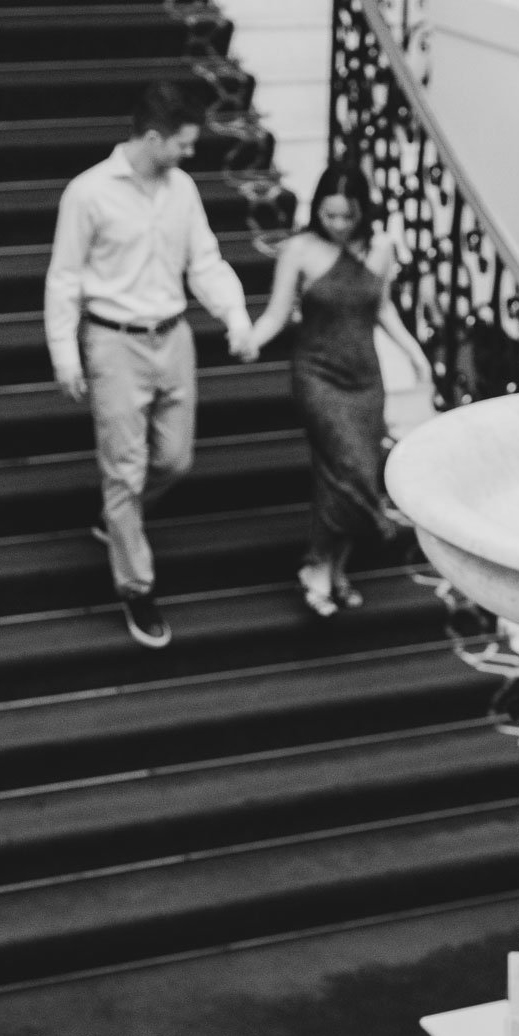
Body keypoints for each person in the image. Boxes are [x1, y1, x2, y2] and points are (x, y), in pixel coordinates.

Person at [44, 80, 255, 648]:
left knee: (175, 459)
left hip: (173, 336)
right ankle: (136, 585)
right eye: (183, 143)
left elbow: (204, 260)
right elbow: (64, 277)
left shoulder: (181, 190)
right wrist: (65, 350)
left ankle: (120, 515)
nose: (191, 153)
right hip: (113, 343)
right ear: (155, 136)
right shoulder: (87, 193)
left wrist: (234, 315)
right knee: (123, 469)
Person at [247, 162, 432, 617]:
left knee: (350, 474)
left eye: (347, 217)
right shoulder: (299, 250)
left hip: (366, 379)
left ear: (363, 213)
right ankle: (319, 567)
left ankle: (331, 569)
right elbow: (275, 313)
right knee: (349, 468)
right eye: (329, 215)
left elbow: (382, 308)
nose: (337, 225)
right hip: (317, 376)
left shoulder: (382, 248)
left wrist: (415, 354)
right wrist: (251, 337)